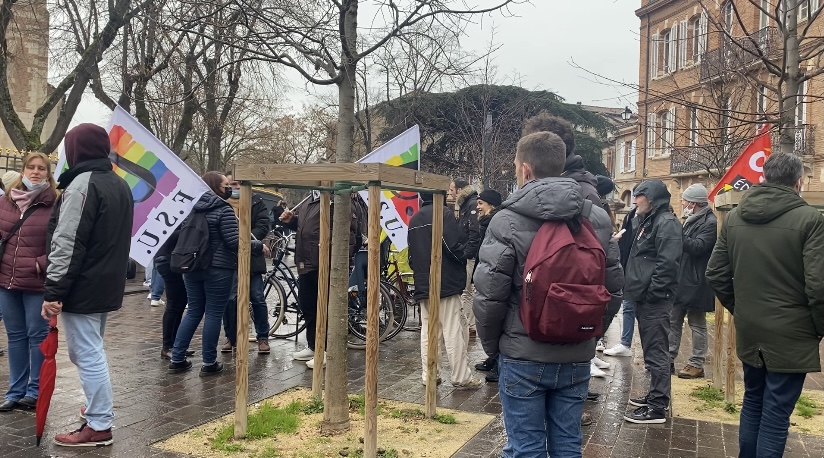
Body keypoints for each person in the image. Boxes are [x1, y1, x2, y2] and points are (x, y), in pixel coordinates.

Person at [473, 132, 623, 456]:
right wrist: (586, 331)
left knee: (525, 448)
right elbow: (613, 289)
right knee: (568, 445)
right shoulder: (596, 218)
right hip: (577, 354)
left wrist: (495, 348)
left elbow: (488, 297)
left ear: (525, 170)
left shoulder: (506, 220)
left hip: (522, 352)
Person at [706, 153, 824, 458]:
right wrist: (818, 328)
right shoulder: (811, 220)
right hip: (792, 332)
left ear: (765, 177)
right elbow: (818, 286)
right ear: (799, 181)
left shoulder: (734, 217)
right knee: (774, 416)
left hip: (751, 326)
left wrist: (741, 309)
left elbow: (716, 273)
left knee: (754, 403)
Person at [43, 123, 133, 446]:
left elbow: (68, 241)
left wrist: (54, 290)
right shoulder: (119, 184)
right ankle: (98, 409)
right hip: (105, 282)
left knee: (87, 352)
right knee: (88, 351)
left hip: (84, 284)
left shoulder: (83, 184)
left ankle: (98, 424)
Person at [522, 112, 614, 379]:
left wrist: (585, 330)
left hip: (544, 343)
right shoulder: (584, 189)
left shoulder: (582, 194)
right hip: (554, 341)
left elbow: (609, 280)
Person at [168, 172, 265, 376]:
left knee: (194, 311)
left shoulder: (191, 209)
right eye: (226, 185)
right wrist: (258, 246)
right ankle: (209, 362)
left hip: (192, 267)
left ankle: (177, 358)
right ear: (215, 187)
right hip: (219, 269)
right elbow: (233, 242)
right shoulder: (223, 210)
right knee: (213, 313)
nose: (229, 188)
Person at [622, 179, 682, 424]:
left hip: (654, 300)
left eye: (640, 196)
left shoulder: (665, 223)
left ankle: (658, 406)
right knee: (651, 349)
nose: (635, 201)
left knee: (657, 351)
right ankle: (656, 395)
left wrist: (651, 294)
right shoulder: (650, 219)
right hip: (645, 297)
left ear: (652, 199)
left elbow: (667, 265)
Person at [0, 153, 57, 412]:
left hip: (36, 282)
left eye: (41, 168)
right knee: (15, 337)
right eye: (31, 168)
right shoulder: (6, 200)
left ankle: (34, 391)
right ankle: (15, 391)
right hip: (6, 280)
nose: (35, 172)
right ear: (22, 171)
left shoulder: (55, 202)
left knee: (37, 337)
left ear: (48, 174)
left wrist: (41, 263)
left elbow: (63, 241)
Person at [408, 193, 480, 389]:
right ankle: (461, 377)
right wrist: (464, 258)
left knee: (428, 332)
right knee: (453, 329)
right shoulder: (443, 214)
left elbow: (411, 257)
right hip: (446, 281)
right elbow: (453, 247)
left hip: (424, 282)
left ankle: (429, 375)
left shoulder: (414, 219)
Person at [280, 192, 360, 369]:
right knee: (308, 306)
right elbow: (307, 227)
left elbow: (349, 233)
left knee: (324, 308)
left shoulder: (338, 199)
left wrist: (335, 258)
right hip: (306, 262)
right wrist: (292, 221)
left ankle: (325, 351)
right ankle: (313, 345)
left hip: (325, 263)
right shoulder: (309, 198)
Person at [670, 184, 717, 379]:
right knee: (673, 321)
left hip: (697, 282)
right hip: (682, 279)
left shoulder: (710, 222)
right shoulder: (692, 219)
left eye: (685, 200)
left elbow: (698, 247)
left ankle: (696, 363)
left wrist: (677, 232)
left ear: (694, 202)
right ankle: (668, 358)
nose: (682, 203)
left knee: (697, 324)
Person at [221, 173, 271, 355]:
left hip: (252, 259)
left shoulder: (256, 202)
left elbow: (264, 225)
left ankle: (263, 337)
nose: (234, 188)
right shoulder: (222, 203)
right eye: (230, 184)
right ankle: (230, 337)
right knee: (230, 300)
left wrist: (245, 240)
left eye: (237, 184)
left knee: (257, 298)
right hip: (229, 259)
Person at [604, 183, 643, 358]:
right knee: (628, 306)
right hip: (629, 265)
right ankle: (625, 343)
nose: (634, 199)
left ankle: (631, 345)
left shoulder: (655, 219)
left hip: (640, 271)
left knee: (637, 309)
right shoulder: (632, 215)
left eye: (638, 195)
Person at [472, 188, 502, 383]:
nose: (478, 206)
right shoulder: (486, 222)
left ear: (491, 204)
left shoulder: (494, 223)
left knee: (494, 321)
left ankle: (499, 363)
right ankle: (493, 359)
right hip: (486, 275)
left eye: (481, 203)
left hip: (493, 279)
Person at [155, 227, 194, 360]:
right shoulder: (174, 218)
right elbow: (171, 236)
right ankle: (167, 347)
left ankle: (176, 345)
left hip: (172, 260)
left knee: (180, 302)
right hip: (167, 260)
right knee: (173, 304)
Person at [450, 179, 480, 339]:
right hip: (466, 254)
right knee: (468, 291)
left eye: (452, 189)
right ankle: (470, 325)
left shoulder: (471, 204)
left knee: (466, 291)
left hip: (468, 256)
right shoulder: (467, 204)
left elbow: (474, 232)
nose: (451, 193)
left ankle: (468, 325)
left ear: (460, 189)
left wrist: (467, 253)